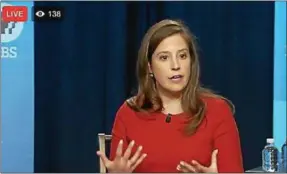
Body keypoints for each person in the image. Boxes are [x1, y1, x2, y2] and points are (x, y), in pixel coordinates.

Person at [97, 19, 244, 173]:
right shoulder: (129, 114)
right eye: (164, 58)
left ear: (191, 61)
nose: (175, 65)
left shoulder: (217, 112)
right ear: (149, 67)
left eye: (182, 56)